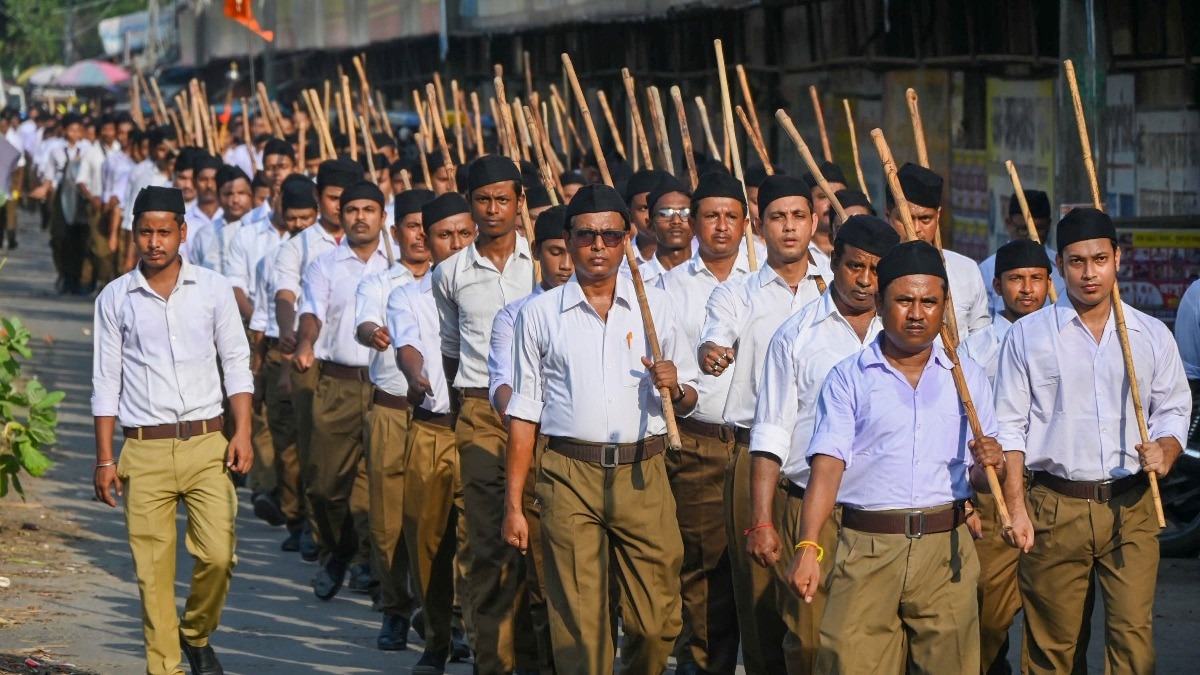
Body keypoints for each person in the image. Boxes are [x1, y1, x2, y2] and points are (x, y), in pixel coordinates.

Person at [502, 184, 696, 674]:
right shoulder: (539, 314)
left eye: (610, 235)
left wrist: (674, 386)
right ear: (568, 240)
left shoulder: (658, 307)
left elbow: (691, 397)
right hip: (569, 473)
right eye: (586, 235)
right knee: (580, 628)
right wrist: (514, 506)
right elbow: (523, 414)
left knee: (656, 624)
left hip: (643, 472)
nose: (597, 246)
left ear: (627, 239)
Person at [790, 239, 1006, 673]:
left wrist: (992, 466)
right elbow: (827, 470)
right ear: (880, 304)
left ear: (945, 307)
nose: (916, 313)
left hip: (946, 551)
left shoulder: (967, 378)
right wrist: (808, 546)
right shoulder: (849, 378)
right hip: (866, 547)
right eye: (904, 300)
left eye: (929, 302)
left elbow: (981, 479)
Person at [995, 207, 1191, 674]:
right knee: (1054, 649)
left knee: (1133, 642)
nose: (1089, 273)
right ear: (1059, 265)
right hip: (1054, 506)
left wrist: (1166, 449)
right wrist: (1016, 508)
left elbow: (1174, 409)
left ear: (1117, 259)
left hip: (1133, 506)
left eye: (1099, 259)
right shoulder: (1028, 336)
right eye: (1077, 261)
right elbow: (1010, 428)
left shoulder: (1149, 334)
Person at [91, 185, 253, 675]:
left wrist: (243, 432)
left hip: (208, 443)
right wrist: (104, 459)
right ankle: (165, 667)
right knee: (153, 572)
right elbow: (106, 381)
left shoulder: (213, 289)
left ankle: (196, 632)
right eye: (146, 232)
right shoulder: (115, 297)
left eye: (164, 232)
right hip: (144, 449)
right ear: (134, 233)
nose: (155, 242)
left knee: (219, 556)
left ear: (183, 232)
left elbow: (237, 363)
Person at [749, 215, 899, 673]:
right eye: (855, 266)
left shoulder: (907, 338)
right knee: (809, 641)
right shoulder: (796, 336)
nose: (865, 281)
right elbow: (771, 432)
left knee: (877, 644)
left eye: (877, 270)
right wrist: (762, 520)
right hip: (810, 511)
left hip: (884, 515)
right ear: (833, 262)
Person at [697, 174, 831, 673]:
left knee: (820, 608)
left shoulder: (837, 288)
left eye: (798, 216)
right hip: (755, 458)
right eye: (777, 217)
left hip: (824, 463)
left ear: (814, 221)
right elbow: (715, 337)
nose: (789, 227)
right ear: (760, 224)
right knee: (760, 604)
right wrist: (712, 353)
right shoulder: (737, 294)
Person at [431, 154, 539, 673]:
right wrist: (468, 412)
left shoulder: (543, 261)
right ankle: (493, 660)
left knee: (538, 540)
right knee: (488, 542)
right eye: (482, 200)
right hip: (480, 409)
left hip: (542, 411)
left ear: (520, 201)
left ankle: (536, 657)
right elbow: (451, 349)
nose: (493, 209)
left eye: (502, 199)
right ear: (469, 203)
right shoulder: (449, 272)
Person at [390, 192, 479, 674]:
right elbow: (407, 345)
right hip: (433, 429)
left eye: (464, 233)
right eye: (445, 235)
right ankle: (437, 639)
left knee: (480, 543)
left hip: (485, 432)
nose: (457, 244)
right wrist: (415, 375)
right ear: (426, 240)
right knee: (427, 543)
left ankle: (478, 636)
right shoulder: (408, 295)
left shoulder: (501, 289)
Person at [485, 204, 574, 674]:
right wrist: (518, 416)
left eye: (571, 250)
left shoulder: (615, 308)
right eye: (555, 252)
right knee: (544, 580)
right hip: (539, 448)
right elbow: (502, 384)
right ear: (536, 253)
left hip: (601, 456)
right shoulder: (515, 316)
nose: (566, 264)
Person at [294, 180, 391, 601]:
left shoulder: (400, 264)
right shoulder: (324, 265)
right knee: (324, 486)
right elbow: (311, 312)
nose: (360, 217)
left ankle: (370, 565)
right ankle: (339, 547)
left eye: (369, 209)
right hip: (338, 384)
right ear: (340, 215)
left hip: (388, 387)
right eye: (352, 210)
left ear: (382, 216)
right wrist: (305, 342)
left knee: (377, 488)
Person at [958, 238, 1052, 673]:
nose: (1027, 289)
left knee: (1053, 612)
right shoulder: (973, 349)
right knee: (989, 613)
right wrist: (964, 495)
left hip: (1050, 488)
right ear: (997, 285)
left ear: (1049, 283)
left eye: (1036, 278)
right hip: (993, 491)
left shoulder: (1061, 339)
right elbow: (958, 424)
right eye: (1016, 279)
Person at [353, 188, 436, 649]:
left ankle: (443, 615)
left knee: (436, 521)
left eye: (428, 227)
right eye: (412, 226)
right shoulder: (379, 283)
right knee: (387, 521)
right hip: (391, 410)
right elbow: (364, 323)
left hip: (439, 419)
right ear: (396, 230)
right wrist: (374, 333)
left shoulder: (451, 282)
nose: (420, 236)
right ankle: (395, 608)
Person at [273, 158, 363, 562]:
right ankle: (315, 527)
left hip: (370, 367)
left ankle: (360, 546)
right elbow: (286, 295)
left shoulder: (383, 244)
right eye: (332, 198)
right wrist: (291, 336)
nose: (341, 207)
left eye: (349, 199)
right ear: (316, 196)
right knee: (314, 449)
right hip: (316, 360)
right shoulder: (299, 247)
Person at [251, 176, 320, 554]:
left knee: (316, 445)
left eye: (306, 217)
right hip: (281, 352)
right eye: (292, 218)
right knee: (288, 443)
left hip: (320, 356)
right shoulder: (273, 259)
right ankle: (296, 518)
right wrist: (260, 370)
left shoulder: (330, 253)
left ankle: (318, 522)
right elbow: (263, 317)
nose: (299, 224)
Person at [885, 162, 991, 339]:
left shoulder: (966, 271)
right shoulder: (873, 270)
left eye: (925, 219)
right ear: (888, 216)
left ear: (938, 216)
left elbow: (981, 339)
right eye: (905, 219)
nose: (916, 229)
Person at [978, 190, 1064, 316]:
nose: (1031, 236)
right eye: (1024, 229)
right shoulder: (986, 270)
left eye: (1039, 229)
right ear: (1008, 224)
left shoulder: (1062, 268)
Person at [801, 161, 848, 272]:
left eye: (838, 197)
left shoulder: (856, 249)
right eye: (823, 197)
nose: (832, 204)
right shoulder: (795, 249)